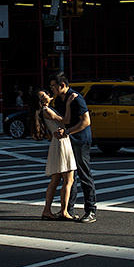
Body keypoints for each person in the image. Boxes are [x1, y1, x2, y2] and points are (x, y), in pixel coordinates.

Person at [50, 72, 95, 223]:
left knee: (84, 174)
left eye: (54, 86)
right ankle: (68, 210)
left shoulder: (76, 98)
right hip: (67, 141)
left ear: (62, 85)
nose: (52, 89)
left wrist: (68, 132)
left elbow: (86, 121)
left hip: (80, 140)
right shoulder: (59, 100)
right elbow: (64, 120)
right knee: (70, 176)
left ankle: (91, 210)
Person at [31, 89, 77, 221]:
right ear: (41, 100)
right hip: (62, 143)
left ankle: (47, 210)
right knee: (68, 180)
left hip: (57, 143)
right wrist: (68, 103)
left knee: (56, 179)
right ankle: (64, 211)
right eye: (44, 95)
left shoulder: (45, 111)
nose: (48, 94)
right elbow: (66, 120)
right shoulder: (47, 110)